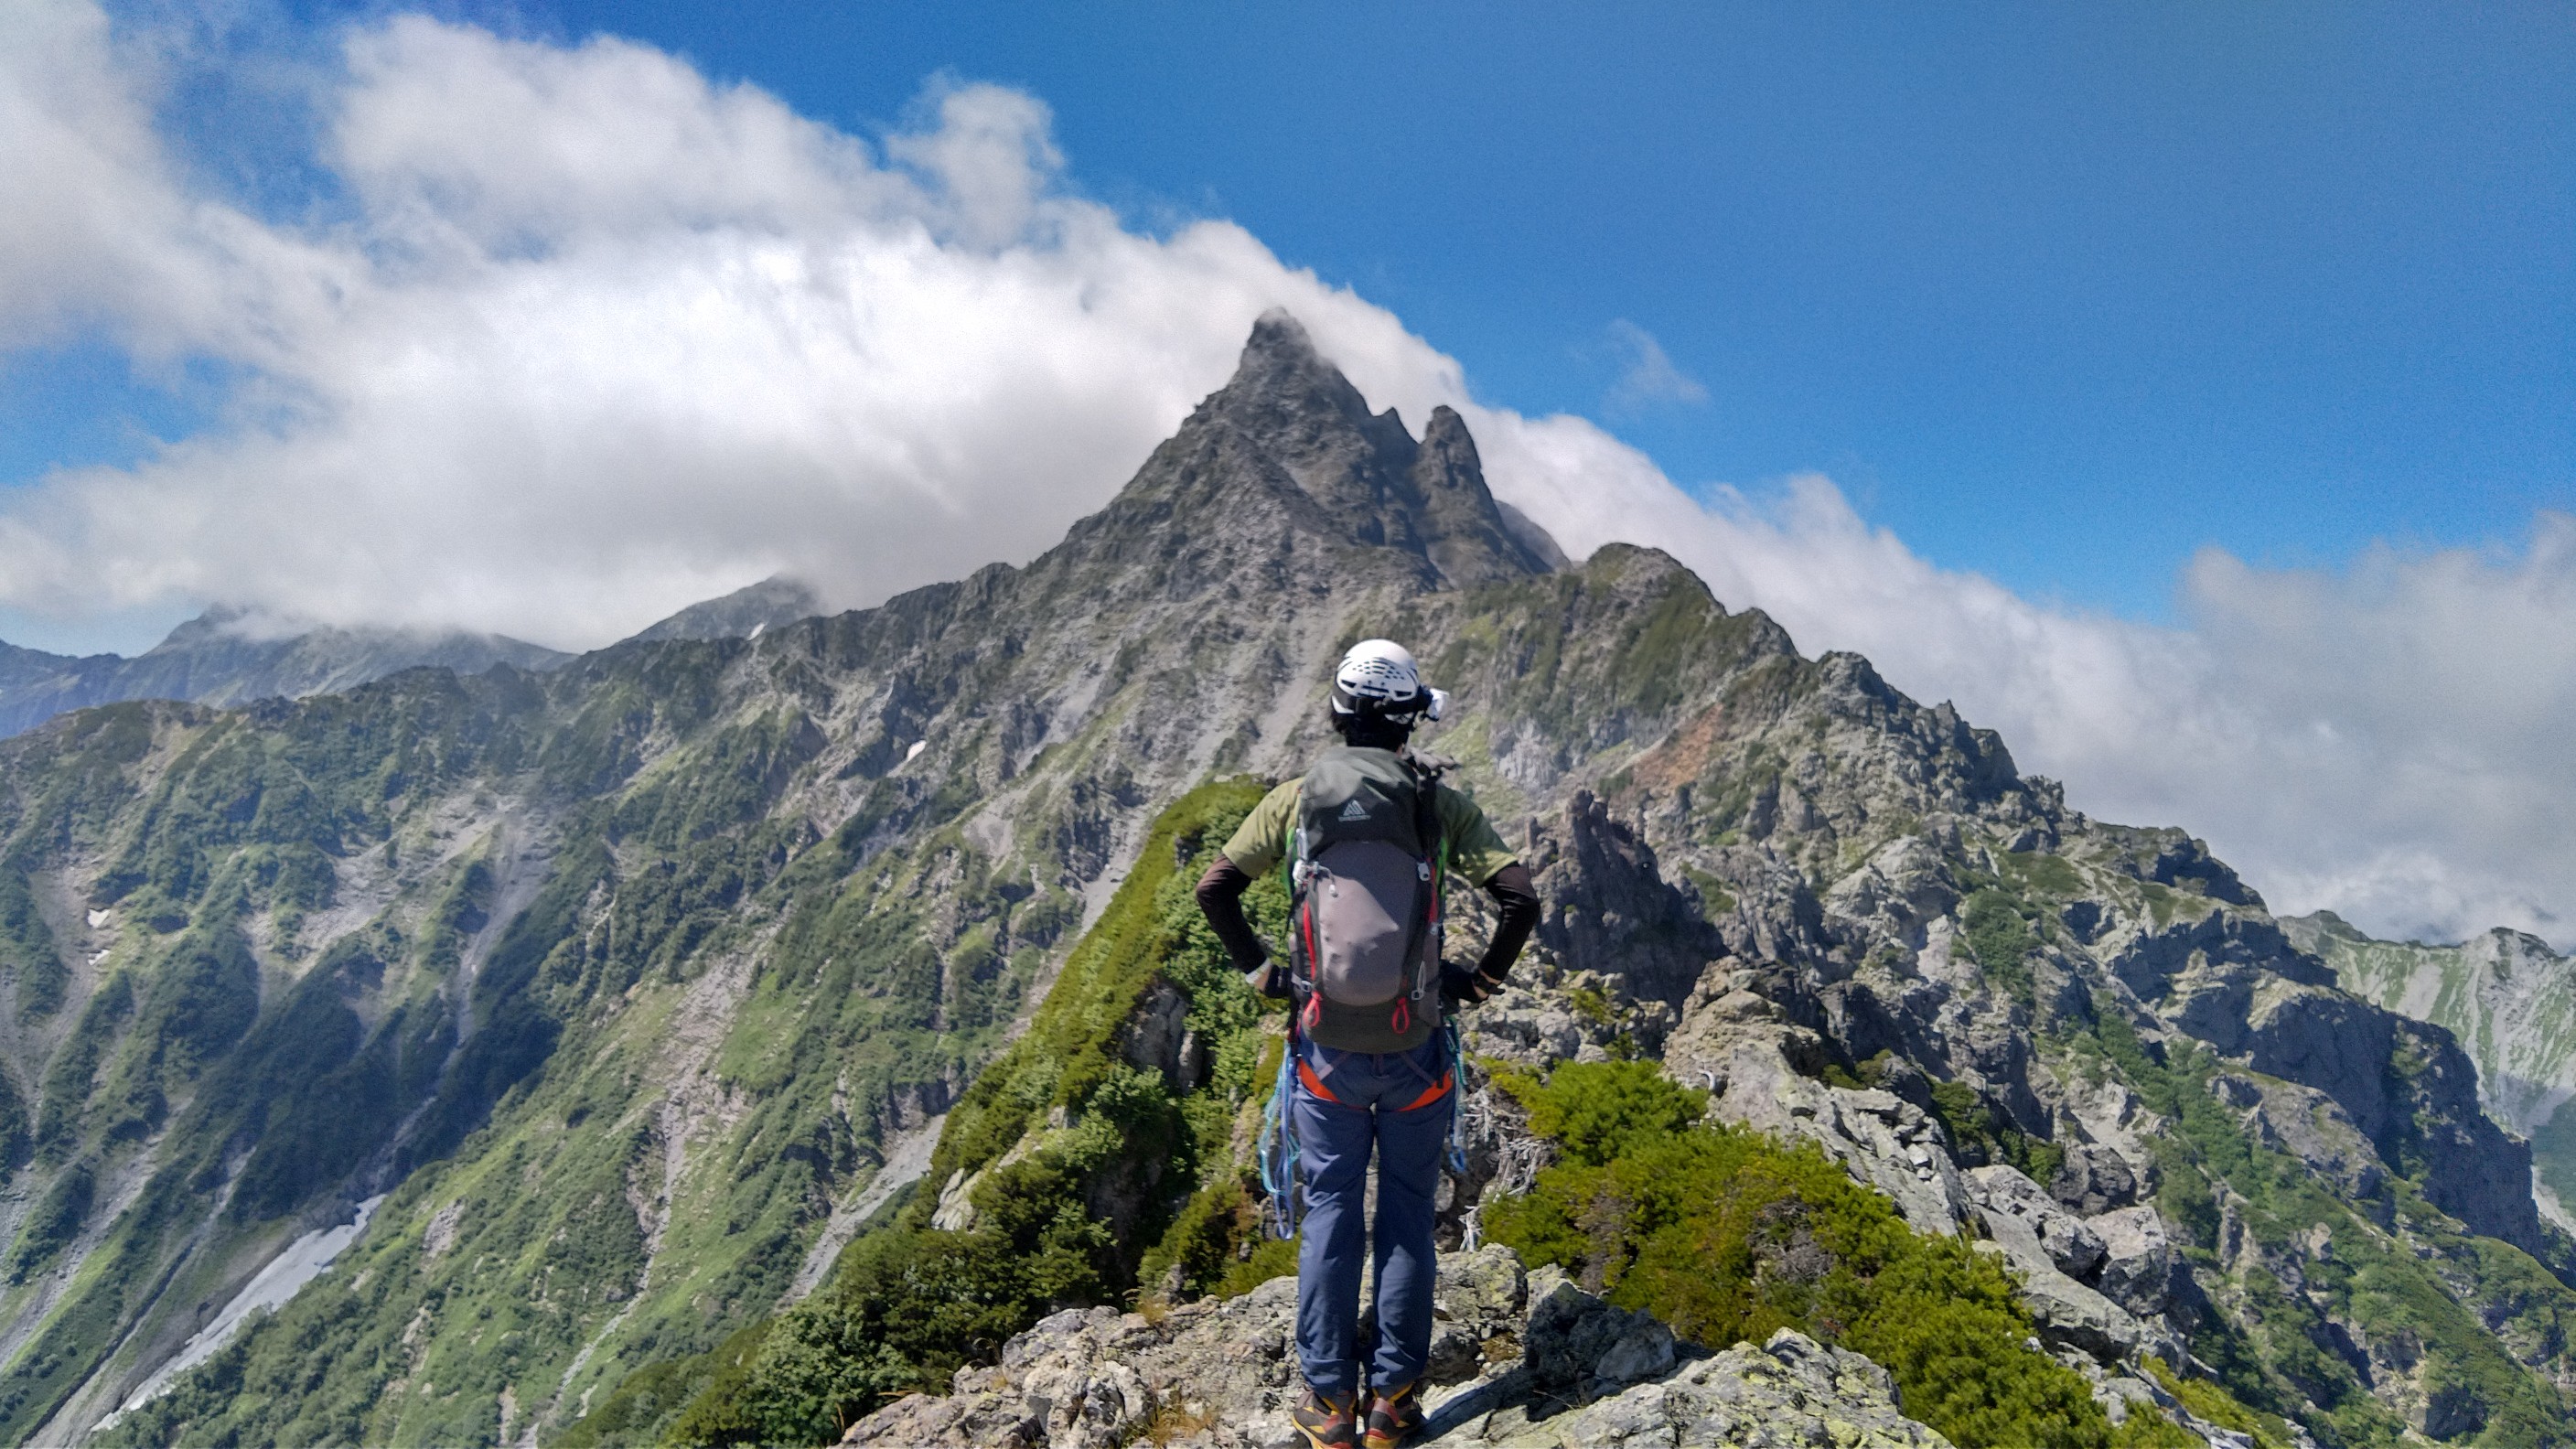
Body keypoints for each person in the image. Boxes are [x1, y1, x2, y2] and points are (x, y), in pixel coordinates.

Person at [1197, 639, 1540, 1449]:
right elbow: (1520, 900)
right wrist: (1476, 984)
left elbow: (1215, 890)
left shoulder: (1293, 801)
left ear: (1338, 713)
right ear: (1410, 721)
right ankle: (1393, 1404)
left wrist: (1265, 976)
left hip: (1324, 1053)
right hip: (1416, 1044)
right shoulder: (1436, 805)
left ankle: (1327, 1407)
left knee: (1330, 1214)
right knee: (1409, 1216)